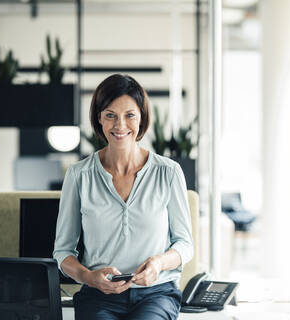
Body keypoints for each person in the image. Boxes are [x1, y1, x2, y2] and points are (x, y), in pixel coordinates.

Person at [53, 74, 193, 320]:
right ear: (99, 119)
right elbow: (63, 252)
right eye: (110, 115)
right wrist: (88, 277)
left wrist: (159, 263)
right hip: (98, 297)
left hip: (156, 293)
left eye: (129, 115)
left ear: (142, 118)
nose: (120, 125)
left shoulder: (169, 172)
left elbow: (184, 245)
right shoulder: (79, 175)